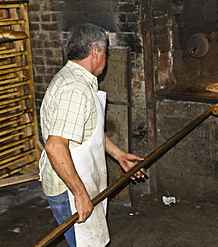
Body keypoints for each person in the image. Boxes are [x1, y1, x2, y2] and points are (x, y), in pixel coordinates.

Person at [39, 23, 145, 247]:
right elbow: (55, 147)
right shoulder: (74, 89)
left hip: (76, 182)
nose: (106, 59)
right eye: (106, 52)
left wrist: (119, 155)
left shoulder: (78, 79)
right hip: (68, 189)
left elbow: (89, 129)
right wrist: (80, 194)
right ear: (95, 51)